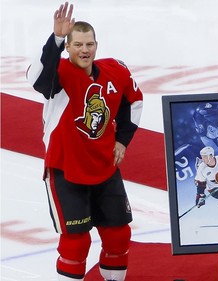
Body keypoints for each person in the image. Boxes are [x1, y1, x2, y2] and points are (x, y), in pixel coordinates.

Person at [26, 2, 143, 281]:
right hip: (67, 169)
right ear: (68, 47)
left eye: (89, 44)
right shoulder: (60, 74)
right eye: (77, 44)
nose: (84, 50)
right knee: (75, 243)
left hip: (105, 167)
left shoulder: (116, 70)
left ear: (96, 45)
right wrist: (55, 39)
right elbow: (36, 79)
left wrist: (122, 141)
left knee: (118, 237)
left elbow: (134, 101)